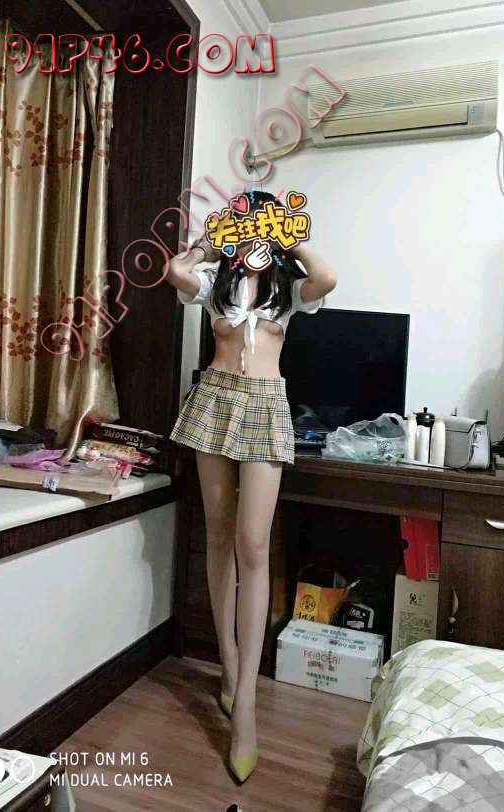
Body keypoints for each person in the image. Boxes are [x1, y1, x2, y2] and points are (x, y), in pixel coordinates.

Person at [164, 190, 337, 783]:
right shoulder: (215, 283)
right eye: (245, 224)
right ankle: (231, 665)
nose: (253, 233)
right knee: (217, 536)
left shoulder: (288, 290)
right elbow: (175, 271)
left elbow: (328, 276)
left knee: (253, 546)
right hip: (214, 400)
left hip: (266, 406)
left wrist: (289, 235)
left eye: (261, 224)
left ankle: (247, 709)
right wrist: (210, 243)